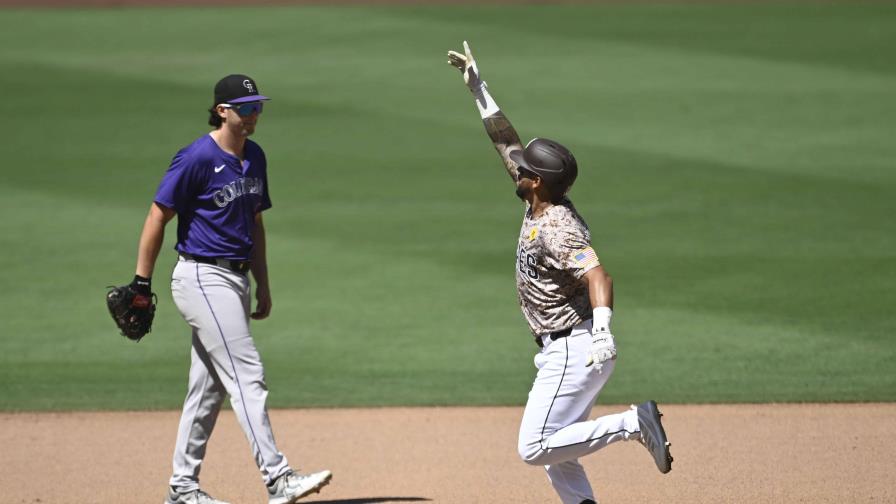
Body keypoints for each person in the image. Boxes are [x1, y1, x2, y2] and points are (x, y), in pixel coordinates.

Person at [447, 42, 673, 504]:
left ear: (537, 182)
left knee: (534, 447)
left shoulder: (556, 227)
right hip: (569, 347)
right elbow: (507, 143)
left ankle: (635, 421)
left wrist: (604, 331)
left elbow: (599, 276)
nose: (515, 170)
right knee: (560, 450)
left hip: (577, 348)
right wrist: (479, 89)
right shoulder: (540, 197)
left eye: (524, 171)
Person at [126, 74, 331, 504]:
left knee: (208, 388)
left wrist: (263, 283)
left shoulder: (254, 157)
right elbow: (156, 216)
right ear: (223, 111)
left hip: (234, 280)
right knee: (247, 374)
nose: (255, 115)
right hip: (201, 276)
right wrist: (141, 283)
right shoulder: (196, 158)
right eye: (247, 107)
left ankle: (182, 490)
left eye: (258, 106)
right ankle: (278, 478)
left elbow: (255, 222)